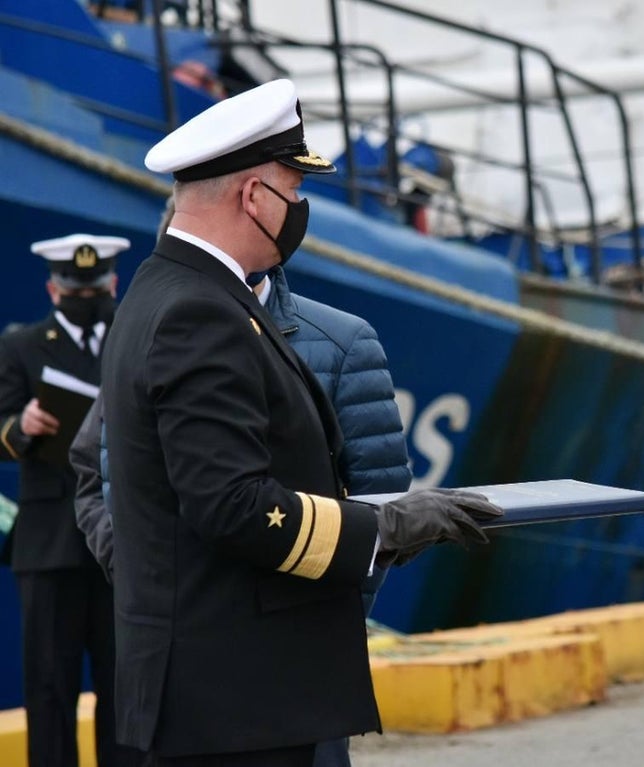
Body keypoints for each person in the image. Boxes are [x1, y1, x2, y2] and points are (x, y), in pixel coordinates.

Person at [99, 78, 502, 765]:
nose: (299, 210)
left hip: (224, 694)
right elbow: (231, 503)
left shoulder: (164, 292)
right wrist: (386, 526)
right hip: (234, 700)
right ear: (253, 197)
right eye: (292, 192)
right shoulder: (201, 313)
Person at [72, 261, 413, 767]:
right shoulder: (152, 330)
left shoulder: (342, 344)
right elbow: (111, 483)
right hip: (188, 668)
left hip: (303, 671)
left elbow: (378, 504)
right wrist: (154, 596)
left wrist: (320, 627)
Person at [0, 234, 132, 767]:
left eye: (96, 286)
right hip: (49, 543)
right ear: (54, 289)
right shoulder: (21, 346)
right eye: (76, 287)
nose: (87, 294)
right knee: (49, 687)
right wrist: (21, 426)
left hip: (121, 541)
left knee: (123, 686)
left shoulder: (135, 335)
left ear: (114, 284)